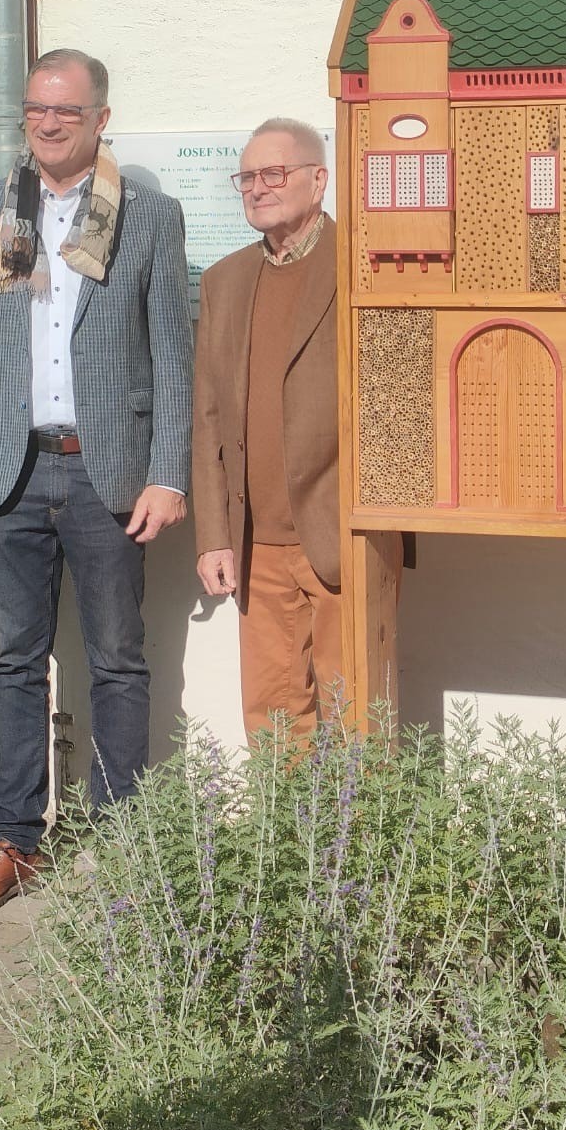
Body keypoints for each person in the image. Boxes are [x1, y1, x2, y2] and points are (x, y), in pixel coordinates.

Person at [0, 48, 193, 917]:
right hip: (10, 466)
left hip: (106, 470)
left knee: (118, 660)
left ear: (99, 120)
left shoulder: (148, 217)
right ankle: (17, 843)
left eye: (66, 112)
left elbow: (172, 353)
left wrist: (168, 472)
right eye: (35, 110)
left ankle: (122, 850)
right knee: (14, 661)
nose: (47, 124)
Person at [192, 118, 343, 739]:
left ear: (318, 180)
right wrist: (214, 536)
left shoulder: (365, 266)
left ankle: (361, 840)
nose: (258, 188)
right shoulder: (224, 282)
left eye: (274, 173)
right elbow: (206, 417)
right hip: (258, 546)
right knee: (275, 719)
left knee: (358, 715)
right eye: (247, 177)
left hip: (344, 534)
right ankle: (287, 839)